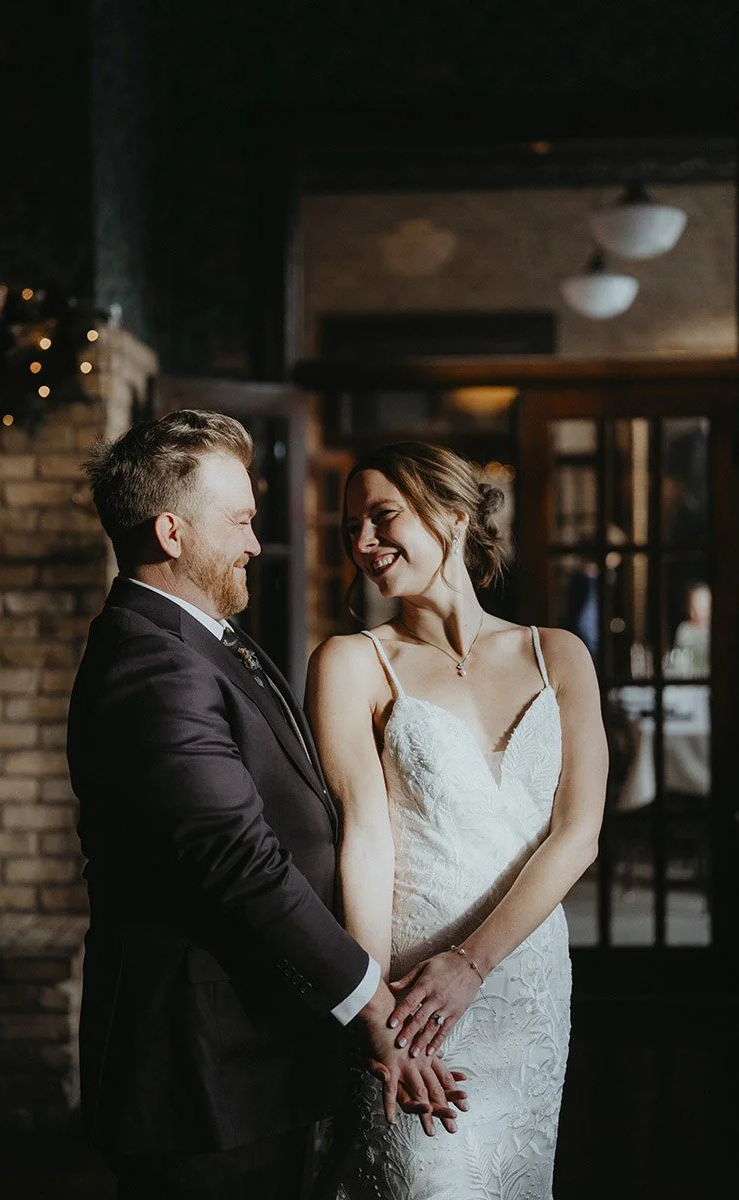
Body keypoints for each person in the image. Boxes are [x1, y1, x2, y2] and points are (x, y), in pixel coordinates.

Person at [67, 412, 467, 1200]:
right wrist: (374, 1010)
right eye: (241, 521)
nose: (255, 542)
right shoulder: (150, 664)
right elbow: (239, 861)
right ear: (173, 532)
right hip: (200, 1074)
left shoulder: (199, 642)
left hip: (259, 1053)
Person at [306, 441, 608, 1199]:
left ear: (452, 515)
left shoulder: (559, 656)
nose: (365, 545)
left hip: (523, 980)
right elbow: (365, 841)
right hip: (413, 994)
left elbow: (579, 833)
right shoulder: (351, 663)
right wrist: (374, 1011)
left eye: (383, 518)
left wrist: (474, 963)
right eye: (352, 530)